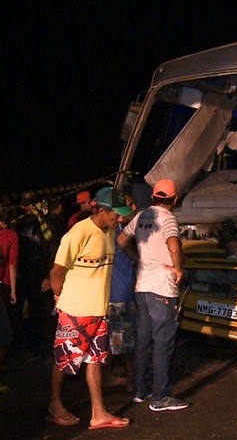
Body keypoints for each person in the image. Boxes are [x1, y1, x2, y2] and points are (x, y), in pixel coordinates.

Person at [47, 187, 132, 429]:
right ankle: (55, 403)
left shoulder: (110, 231)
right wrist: (58, 298)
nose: (120, 218)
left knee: (95, 361)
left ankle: (98, 413)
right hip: (75, 311)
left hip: (100, 311)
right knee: (65, 360)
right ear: (102, 210)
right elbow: (56, 271)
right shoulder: (78, 233)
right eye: (117, 214)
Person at [117, 179, 190, 412]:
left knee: (144, 339)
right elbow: (174, 246)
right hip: (162, 288)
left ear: (153, 198)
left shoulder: (141, 216)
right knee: (163, 341)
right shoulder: (167, 218)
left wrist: (138, 259)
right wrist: (179, 269)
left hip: (143, 286)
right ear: (175, 199)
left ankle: (140, 390)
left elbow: (121, 240)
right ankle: (161, 396)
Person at [104, 193, 137, 391]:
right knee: (124, 343)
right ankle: (132, 383)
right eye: (130, 205)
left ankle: (109, 377)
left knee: (111, 342)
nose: (134, 208)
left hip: (113, 292)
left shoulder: (111, 231)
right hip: (120, 294)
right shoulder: (119, 233)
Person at [13, 191, 54, 354]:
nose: (27, 207)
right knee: (16, 311)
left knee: (37, 311)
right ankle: (18, 346)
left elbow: (52, 249)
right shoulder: (19, 223)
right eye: (25, 204)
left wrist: (47, 276)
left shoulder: (43, 223)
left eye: (30, 203)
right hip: (21, 274)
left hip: (38, 274)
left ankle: (36, 346)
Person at [0, 209, 18, 377]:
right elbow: (11, 264)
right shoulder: (10, 235)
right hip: (3, 287)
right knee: (5, 335)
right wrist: (13, 290)